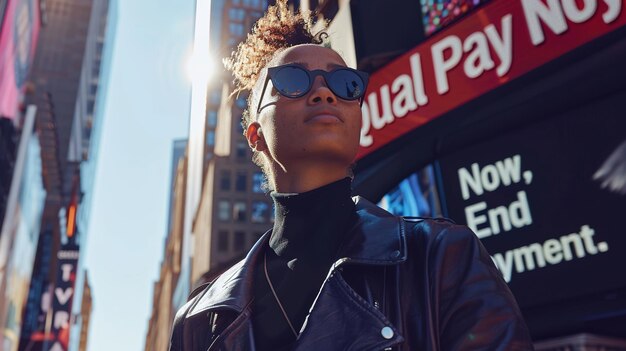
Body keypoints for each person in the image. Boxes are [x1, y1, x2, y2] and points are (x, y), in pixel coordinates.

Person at [169, 1, 533, 350]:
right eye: (293, 80)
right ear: (256, 135)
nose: (324, 92)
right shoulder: (199, 320)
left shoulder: (441, 256)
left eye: (345, 84)